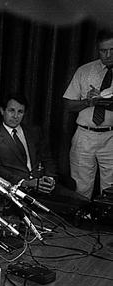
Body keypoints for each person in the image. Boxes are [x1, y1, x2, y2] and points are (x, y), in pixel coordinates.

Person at [0, 93, 86, 203]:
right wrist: (25, 182)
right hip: (17, 190)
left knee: (83, 203)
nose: (16, 116)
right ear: (2, 111)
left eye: (20, 112)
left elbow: (47, 159)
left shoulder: (34, 132)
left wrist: (50, 178)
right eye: (11, 110)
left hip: (44, 187)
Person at [63, 29, 113, 199]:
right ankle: (81, 221)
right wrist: (89, 102)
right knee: (80, 185)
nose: (108, 55)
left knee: (111, 187)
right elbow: (68, 104)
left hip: (111, 134)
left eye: (112, 50)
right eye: (103, 50)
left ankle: (107, 223)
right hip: (85, 134)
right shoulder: (85, 71)